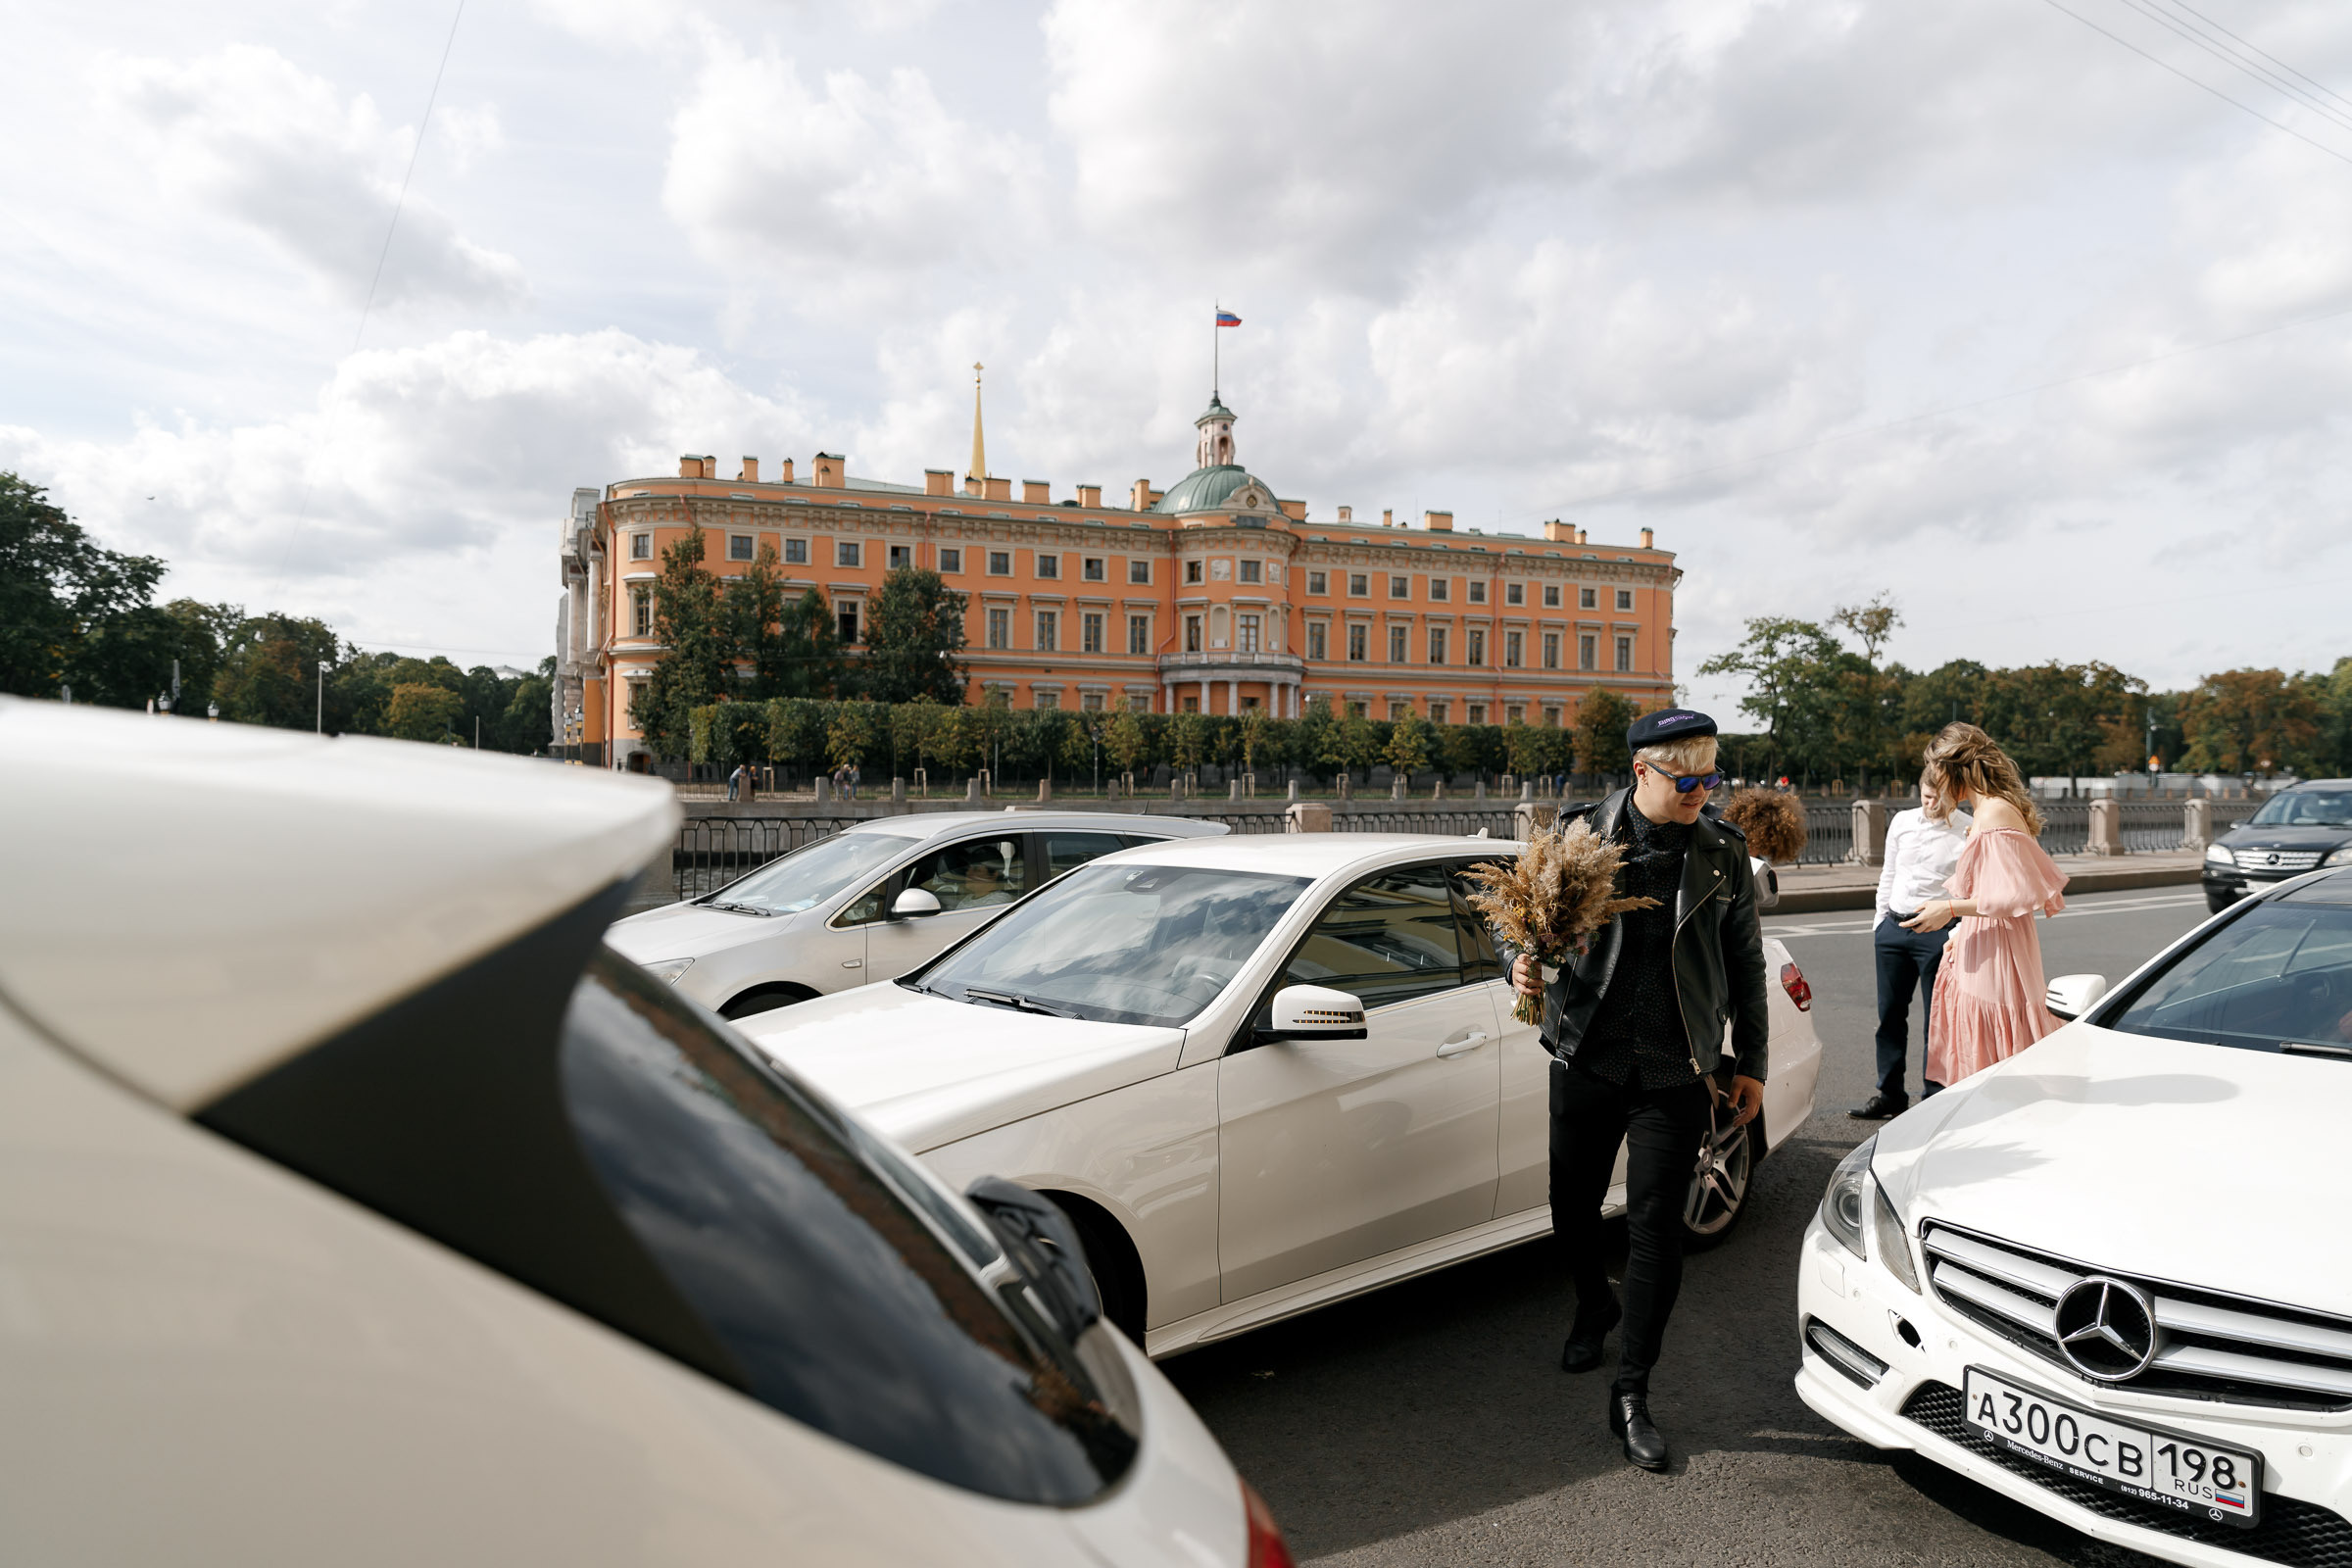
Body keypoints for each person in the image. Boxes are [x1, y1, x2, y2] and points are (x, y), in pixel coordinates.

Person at [1503, 708, 1769, 1473]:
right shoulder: (1582, 836)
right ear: (1641, 773)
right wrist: (1519, 964)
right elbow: (1517, 923)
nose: (1701, 793)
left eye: (1711, 777)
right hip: (1587, 1055)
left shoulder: (1723, 849)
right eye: (1687, 780)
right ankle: (1594, 1305)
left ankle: (1633, 1392)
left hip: (1675, 1067)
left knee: (1657, 1226)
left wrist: (1748, 1058)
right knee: (1572, 1206)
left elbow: (1746, 963)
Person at [1902, 723, 2069, 1091]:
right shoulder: (1988, 811)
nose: (1936, 782)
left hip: (1999, 947)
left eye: (1939, 772)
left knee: (1995, 1052)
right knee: (1990, 1044)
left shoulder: (1993, 813)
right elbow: (1996, 890)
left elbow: (2014, 897)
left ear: (1954, 771)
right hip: (1987, 938)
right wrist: (1961, 932)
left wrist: (1949, 909)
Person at [1849, 769, 1971, 1119]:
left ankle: (1934, 1099)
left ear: (1954, 795)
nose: (1930, 804)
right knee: (1889, 1015)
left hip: (1938, 932)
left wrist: (1954, 932)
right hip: (1893, 928)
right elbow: (1888, 873)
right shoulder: (1902, 822)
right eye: (1925, 796)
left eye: (1937, 798)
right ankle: (1890, 1095)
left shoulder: (1966, 829)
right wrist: (1879, 923)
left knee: (1937, 1021)